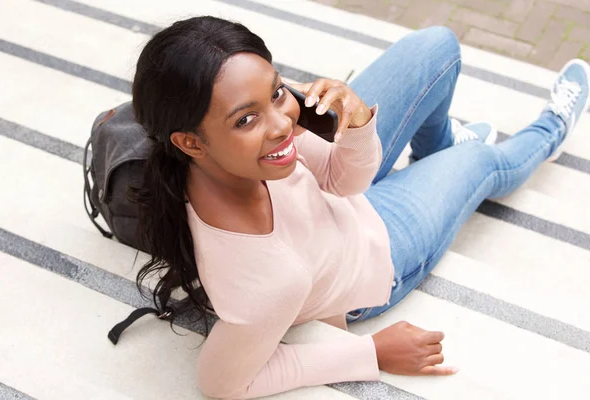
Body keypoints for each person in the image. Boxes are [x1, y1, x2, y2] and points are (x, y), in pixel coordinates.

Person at [130, 15, 590, 400]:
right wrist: (371, 353)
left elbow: (341, 179)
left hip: (341, 199)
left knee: (437, 46)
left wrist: (356, 123)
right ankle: (551, 130)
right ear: (190, 141)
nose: (282, 125)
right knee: (481, 161)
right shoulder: (268, 278)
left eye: (275, 92)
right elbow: (221, 383)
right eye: (246, 118)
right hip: (379, 252)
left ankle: (439, 147)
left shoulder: (223, 154)